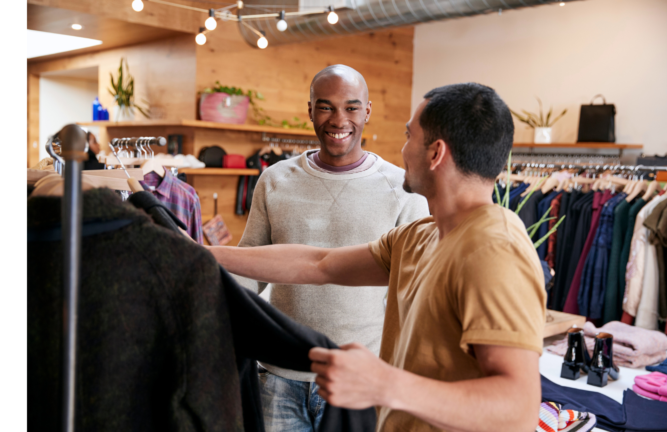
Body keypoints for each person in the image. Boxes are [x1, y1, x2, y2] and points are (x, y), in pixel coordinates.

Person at [207, 83, 544, 432]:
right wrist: (204, 255)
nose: (403, 149)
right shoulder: (418, 237)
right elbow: (318, 263)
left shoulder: (494, 249)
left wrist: (384, 384)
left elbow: (517, 409)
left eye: (409, 135)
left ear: (435, 153)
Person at [226, 64, 429, 432]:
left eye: (351, 108)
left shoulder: (402, 187)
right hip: (279, 373)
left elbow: (412, 291)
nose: (339, 119)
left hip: (359, 376)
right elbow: (249, 268)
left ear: (367, 111)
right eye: (326, 107)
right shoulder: (274, 180)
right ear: (310, 111)